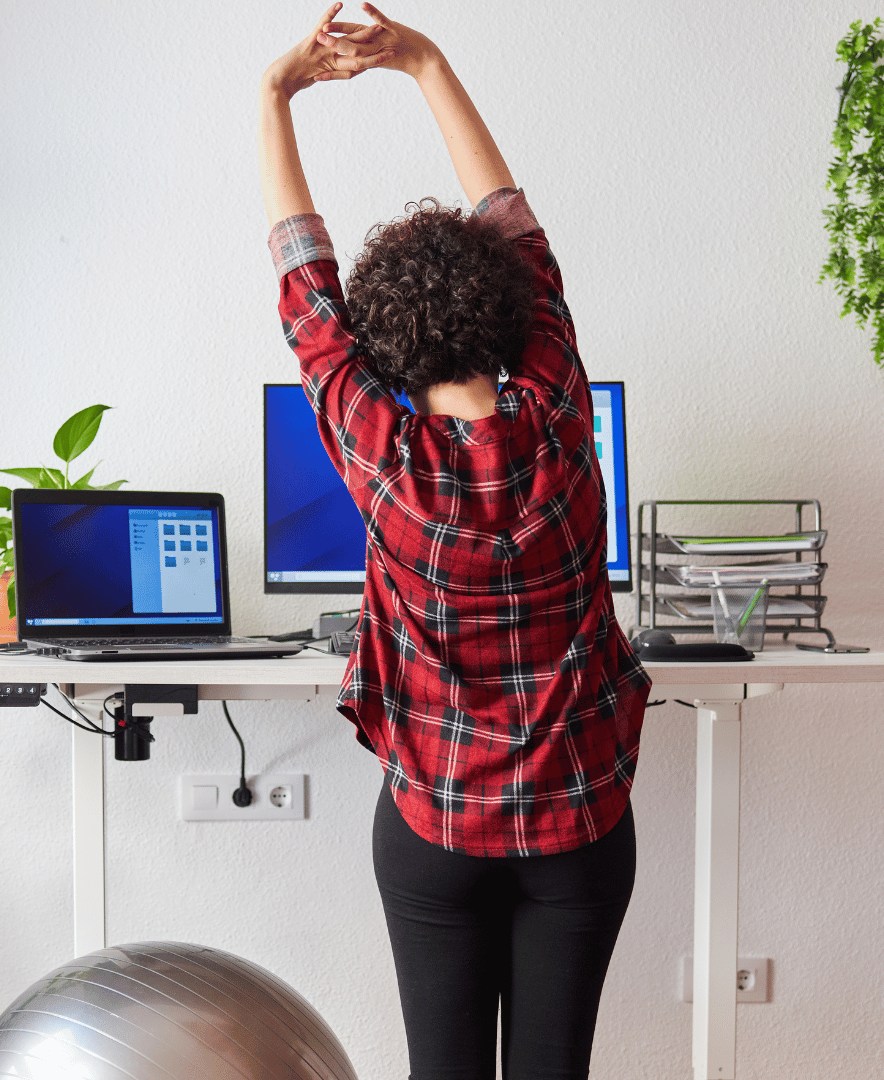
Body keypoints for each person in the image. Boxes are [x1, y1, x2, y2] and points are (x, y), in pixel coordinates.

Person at [259, 7, 652, 1078]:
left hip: (435, 829)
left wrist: (275, 95)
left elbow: (306, 290)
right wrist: (425, 61)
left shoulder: (378, 449)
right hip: (578, 828)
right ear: (522, 316)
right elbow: (512, 221)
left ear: (381, 350)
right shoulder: (563, 409)